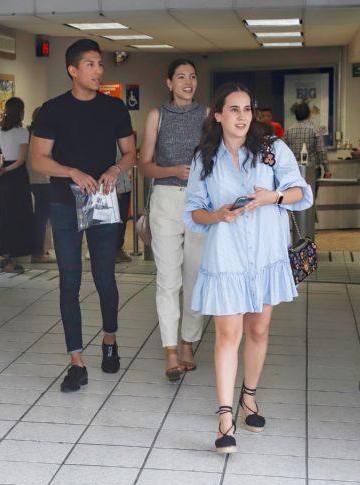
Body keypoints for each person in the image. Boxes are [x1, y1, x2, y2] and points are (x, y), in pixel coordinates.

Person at [184, 83, 312, 453]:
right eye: (234, 109)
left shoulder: (273, 149)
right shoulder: (204, 158)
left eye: (247, 109)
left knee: (259, 329)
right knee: (228, 334)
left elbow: (302, 194)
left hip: (266, 256)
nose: (242, 116)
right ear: (218, 115)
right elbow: (193, 210)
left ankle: (249, 398)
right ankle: (225, 419)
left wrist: (272, 196)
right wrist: (218, 215)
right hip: (226, 257)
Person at [31, 39, 137, 392]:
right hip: (65, 202)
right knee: (69, 281)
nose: (98, 71)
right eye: (90, 65)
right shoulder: (52, 111)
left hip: (104, 203)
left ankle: (109, 339)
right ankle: (76, 361)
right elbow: (39, 160)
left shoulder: (114, 109)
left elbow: (130, 153)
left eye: (100, 65)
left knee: (105, 277)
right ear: (72, 70)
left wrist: (115, 169)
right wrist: (72, 172)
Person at [137, 59, 207, 382]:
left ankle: (187, 342)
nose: (188, 82)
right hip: (165, 198)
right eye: (181, 77)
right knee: (168, 280)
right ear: (169, 83)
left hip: (198, 203)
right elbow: (145, 166)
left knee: (194, 277)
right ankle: (169, 351)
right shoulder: (157, 116)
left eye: (192, 77)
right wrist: (174, 171)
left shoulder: (207, 116)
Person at [0, 97, 33, 274]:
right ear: (20, 112)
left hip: (6, 174)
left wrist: (0, 154)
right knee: (18, 214)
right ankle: (13, 257)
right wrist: (7, 169)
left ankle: (5, 256)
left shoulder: (0, 131)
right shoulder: (22, 132)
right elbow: (21, 159)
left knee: (4, 214)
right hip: (16, 175)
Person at [284, 99, 331, 199]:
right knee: (310, 199)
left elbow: (284, 152)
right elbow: (321, 151)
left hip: (294, 170)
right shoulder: (314, 129)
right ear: (308, 114)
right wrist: (327, 169)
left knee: (296, 199)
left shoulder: (289, 131)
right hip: (312, 170)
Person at [27, 107, 56, 264]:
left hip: (34, 179)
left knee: (40, 216)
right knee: (42, 218)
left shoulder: (31, 132)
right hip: (44, 179)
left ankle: (39, 249)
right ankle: (38, 252)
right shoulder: (43, 134)